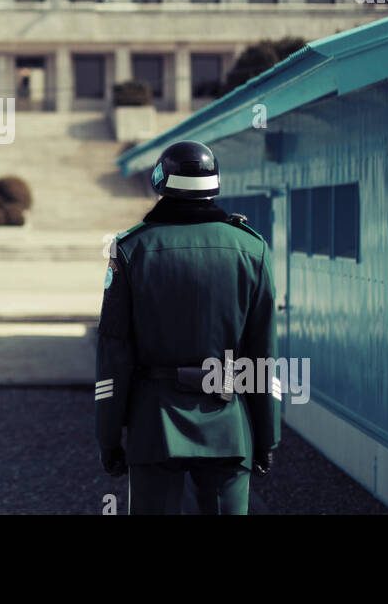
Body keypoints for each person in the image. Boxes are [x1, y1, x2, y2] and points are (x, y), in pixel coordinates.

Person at [95, 140, 280, 514]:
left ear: (161, 182)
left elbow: (114, 352)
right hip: (227, 424)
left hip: (153, 424)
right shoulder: (252, 249)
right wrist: (267, 436)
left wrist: (108, 435)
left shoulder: (131, 249)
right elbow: (263, 354)